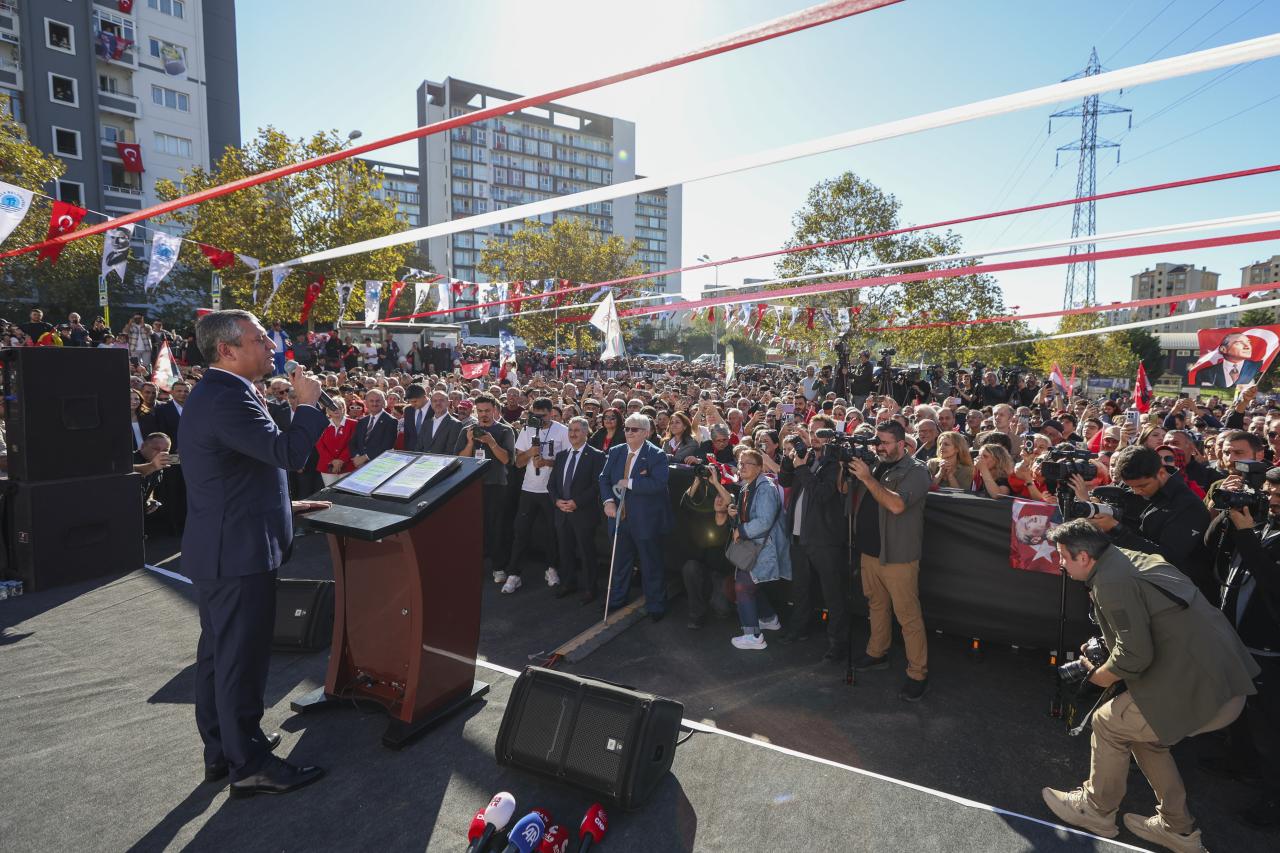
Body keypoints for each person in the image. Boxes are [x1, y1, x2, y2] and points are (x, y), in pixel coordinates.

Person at [180, 309, 329, 797]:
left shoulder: (223, 392)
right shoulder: (227, 398)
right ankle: (251, 765)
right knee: (239, 661)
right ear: (227, 349)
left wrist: (285, 502)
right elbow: (287, 454)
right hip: (237, 552)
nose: (272, 347)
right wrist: (308, 407)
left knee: (219, 658)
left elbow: (242, 468)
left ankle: (223, 751)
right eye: (261, 339)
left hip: (226, 544)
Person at [1040, 520, 1258, 852]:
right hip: (1226, 684)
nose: (1060, 564)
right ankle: (1177, 828)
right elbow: (1157, 621)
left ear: (1083, 557)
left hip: (1203, 693)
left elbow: (1134, 657)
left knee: (1108, 723)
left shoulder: (1110, 583)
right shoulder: (1129, 559)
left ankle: (1096, 810)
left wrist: (1095, 675)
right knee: (1147, 739)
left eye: (1063, 557)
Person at [1205, 468, 1280, 827]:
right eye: (1269, 491)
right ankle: (1240, 764)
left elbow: (1271, 581)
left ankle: (1273, 801)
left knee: (1270, 730)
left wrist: (1247, 534)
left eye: (1279, 493)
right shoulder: (1262, 521)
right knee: (1243, 712)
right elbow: (1211, 549)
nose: (1272, 498)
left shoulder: (1260, 530)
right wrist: (1226, 515)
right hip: (1238, 638)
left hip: (1270, 649)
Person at [846, 420, 933, 701]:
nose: (879, 447)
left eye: (884, 442)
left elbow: (897, 505)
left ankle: (918, 673)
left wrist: (868, 478)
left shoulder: (917, 470)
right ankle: (876, 652)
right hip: (869, 551)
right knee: (877, 605)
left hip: (898, 556)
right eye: (876, 442)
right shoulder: (875, 464)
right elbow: (847, 492)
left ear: (902, 443)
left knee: (908, 616)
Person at [1089, 445, 1212, 600]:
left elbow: (1168, 558)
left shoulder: (1188, 505)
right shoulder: (1133, 485)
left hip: (1175, 595)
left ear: (1161, 473)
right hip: (1129, 584)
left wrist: (1116, 529)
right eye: (1130, 486)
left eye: (1142, 486)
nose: (1136, 492)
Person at [778, 419, 848, 661]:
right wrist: (790, 460)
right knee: (800, 588)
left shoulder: (835, 463)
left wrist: (802, 468)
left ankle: (837, 643)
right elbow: (785, 481)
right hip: (799, 535)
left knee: (832, 593)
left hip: (824, 539)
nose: (814, 437)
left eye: (819, 433)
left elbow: (821, 494)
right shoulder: (805, 458)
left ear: (830, 435)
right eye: (811, 432)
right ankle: (799, 629)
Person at [599, 413, 672, 621]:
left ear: (646, 433)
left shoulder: (656, 455)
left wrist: (629, 483)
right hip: (619, 518)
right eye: (627, 429)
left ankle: (656, 605)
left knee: (651, 564)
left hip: (646, 521)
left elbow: (658, 484)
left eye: (634, 429)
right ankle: (616, 599)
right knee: (619, 562)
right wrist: (608, 502)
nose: (629, 433)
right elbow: (604, 479)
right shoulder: (616, 451)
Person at [499, 396, 570, 593]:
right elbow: (519, 462)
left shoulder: (562, 431)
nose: (539, 420)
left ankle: (551, 568)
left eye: (544, 416)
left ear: (552, 413)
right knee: (521, 532)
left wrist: (547, 462)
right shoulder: (527, 429)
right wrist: (531, 452)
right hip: (529, 488)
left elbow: (567, 463)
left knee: (552, 532)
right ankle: (514, 573)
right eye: (535, 416)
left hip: (551, 490)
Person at [722, 449, 791, 650]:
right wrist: (733, 512)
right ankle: (769, 619)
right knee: (750, 584)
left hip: (765, 547)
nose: (741, 466)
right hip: (757, 547)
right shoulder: (747, 487)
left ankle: (753, 636)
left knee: (743, 585)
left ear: (760, 468)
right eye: (740, 462)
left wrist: (741, 530)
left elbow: (764, 521)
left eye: (747, 463)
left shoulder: (765, 489)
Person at [457, 394, 516, 580]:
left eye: (487, 411)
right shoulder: (467, 430)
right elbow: (460, 458)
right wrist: (469, 442)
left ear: (495, 410)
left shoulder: (506, 431)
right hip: (472, 485)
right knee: (473, 527)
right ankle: (474, 565)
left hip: (496, 485)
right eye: (480, 411)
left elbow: (507, 460)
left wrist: (491, 442)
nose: (483, 415)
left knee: (496, 528)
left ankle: (498, 567)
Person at [547, 417, 606, 602]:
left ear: (586, 432)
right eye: (570, 430)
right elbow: (552, 485)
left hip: (583, 514)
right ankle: (568, 583)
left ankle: (590, 588)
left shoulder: (597, 456)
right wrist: (557, 501)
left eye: (577, 430)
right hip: (562, 512)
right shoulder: (562, 455)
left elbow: (597, 485)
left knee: (586, 552)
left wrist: (576, 502)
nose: (573, 433)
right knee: (565, 551)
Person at [678, 467, 736, 628]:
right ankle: (696, 614)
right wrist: (697, 481)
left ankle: (717, 599)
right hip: (704, 568)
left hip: (723, 573)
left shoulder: (733, 523)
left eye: (722, 497)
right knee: (690, 568)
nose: (718, 500)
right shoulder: (705, 515)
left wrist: (716, 483)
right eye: (716, 497)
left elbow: (730, 500)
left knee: (722, 611)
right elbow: (685, 504)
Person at [315, 397, 357, 486]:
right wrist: (332, 461)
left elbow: (353, 444)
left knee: (346, 494)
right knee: (330, 494)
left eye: (339, 407)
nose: (335, 410)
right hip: (327, 466)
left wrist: (341, 460)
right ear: (328, 411)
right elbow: (319, 445)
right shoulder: (322, 424)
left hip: (348, 465)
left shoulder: (354, 424)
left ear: (344, 409)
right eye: (332, 408)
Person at [350, 389, 397, 468]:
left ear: (383, 402)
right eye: (371, 401)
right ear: (366, 403)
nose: (374, 403)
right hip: (359, 465)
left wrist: (365, 457)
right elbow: (353, 443)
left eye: (378, 401)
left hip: (378, 465)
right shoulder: (362, 421)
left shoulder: (391, 421)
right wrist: (357, 457)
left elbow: (387, 446)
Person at [1199, 333, 1263, 389]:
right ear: (1223, 349)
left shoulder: (1258, 366)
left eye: (1248, 342)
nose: (1247, 346)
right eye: (1239, 343)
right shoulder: (1208, 372)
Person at [416, 389, 462, 454]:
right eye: (435, 401)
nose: (438, 403)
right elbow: (419, 447)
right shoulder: (426, 423)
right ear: (431, 404)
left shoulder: (455, 424)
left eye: (441, 400)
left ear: (448, 403)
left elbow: (451, 451)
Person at [153, 380, 188, 452]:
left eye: (186, 391)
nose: (183, 393)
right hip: (173, 452)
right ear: (172, 393)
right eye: (179, 391)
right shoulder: (162, 410)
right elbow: (161, 433)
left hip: (195, 451)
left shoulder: (196, 409)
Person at [399, 384, 430, 452]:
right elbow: (407, 435)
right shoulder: (408, 410)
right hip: (412, 452)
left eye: (415, 401)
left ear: (424, 397)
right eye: (410, 401)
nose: (412, 404)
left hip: (430, 454)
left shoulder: (435, 409)